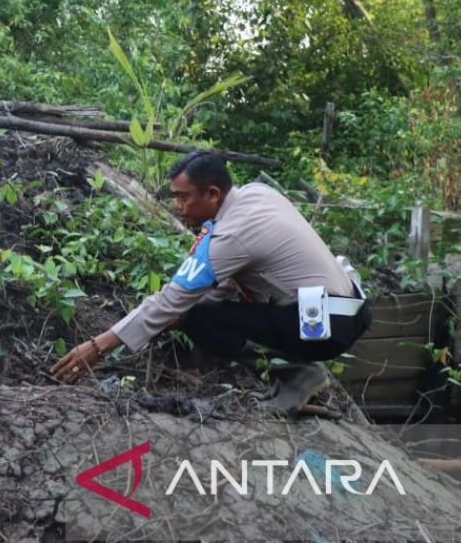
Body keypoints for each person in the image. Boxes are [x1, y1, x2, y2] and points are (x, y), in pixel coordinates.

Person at [50, 151, 371, 415]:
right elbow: (226, 282)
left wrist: (97, 346)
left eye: (183, 197)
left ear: (213, 193)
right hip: (351, 311)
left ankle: (298, 373)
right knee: (204, 308)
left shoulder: (230, 235)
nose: (178, 207)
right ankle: (299, 367)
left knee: (199, 318)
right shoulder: (259, 195)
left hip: (323, 326)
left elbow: (172, 298)